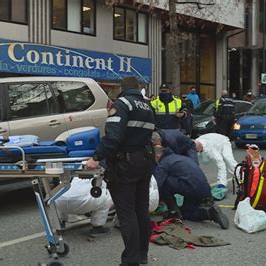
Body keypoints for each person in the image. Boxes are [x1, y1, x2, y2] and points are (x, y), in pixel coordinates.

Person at [86, 76, 155, 266]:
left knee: (127, 213)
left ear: (122, 88)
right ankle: (142, 254)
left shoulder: (122, 104)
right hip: (144, 161)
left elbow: (113, 137)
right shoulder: (148, 106)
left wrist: (95, 158)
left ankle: (130, 261)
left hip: (126, 163)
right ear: (138, 88)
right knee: (141, 209)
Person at [153, 145, 229, 229]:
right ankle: (209, 213)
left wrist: (150, 203)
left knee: (164, 183)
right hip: (205, 189)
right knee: (186, 213)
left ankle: (173, 212)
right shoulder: (180, 157)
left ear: (157, 156)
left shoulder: (164, 163)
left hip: (192, 189)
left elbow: (157, 184)